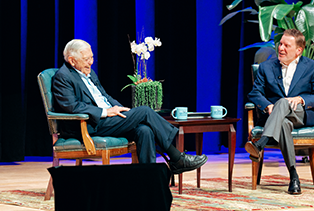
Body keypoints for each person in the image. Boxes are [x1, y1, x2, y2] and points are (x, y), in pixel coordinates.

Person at [52, 39, 208, 174]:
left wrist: (120, 109)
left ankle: (148, 179)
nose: (91, 62)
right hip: (89, 124)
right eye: (87, 59)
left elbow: (105, 97)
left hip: (108, 119)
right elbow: (72, 107)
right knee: (145, 111)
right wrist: (105, 112)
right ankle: (177, 158)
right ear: (72, 60)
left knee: (144, 130)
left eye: (92, 57)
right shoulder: (63, 77)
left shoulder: (89, 73)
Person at [245, 29, 314, 194]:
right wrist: (268, 106)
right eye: (280, 44)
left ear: (298, 50)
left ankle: (260, 144)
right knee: (282, 123)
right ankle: (294, 176)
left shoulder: (312, 67)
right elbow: (255, 93)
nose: (281, 48)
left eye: (286, 45)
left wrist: (301, 100)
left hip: (301, 115)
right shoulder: (266, 67)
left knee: (283, 102)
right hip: (275, 117)